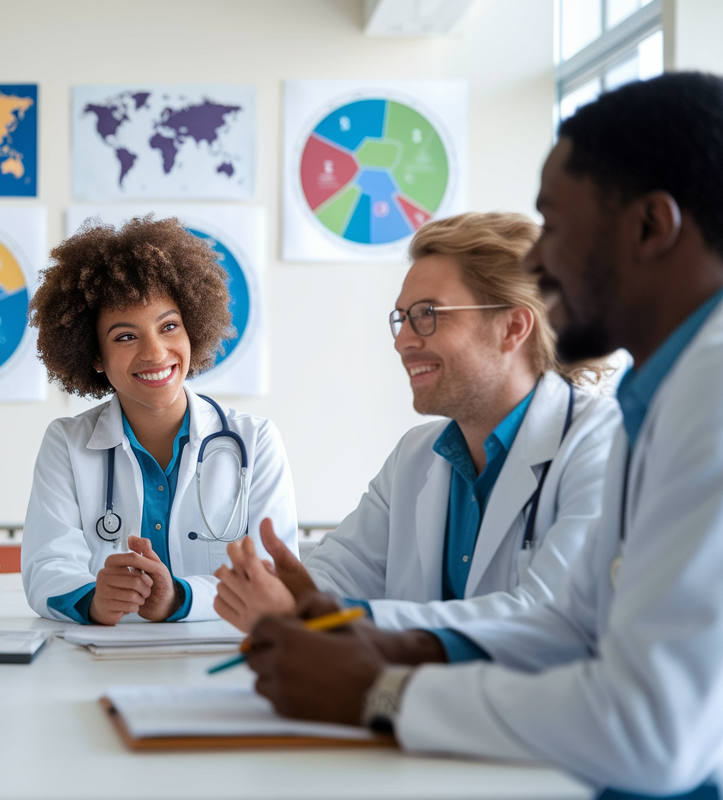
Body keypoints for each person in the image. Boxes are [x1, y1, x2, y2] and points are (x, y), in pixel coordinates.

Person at [245, 72, 723, 798]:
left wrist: (383, 692)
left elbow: (654, 731)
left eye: (555, 227)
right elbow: (572, 623)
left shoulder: (705, 394)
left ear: (650, 227)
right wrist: (387, 642)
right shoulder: (654, 396)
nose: (538, 263)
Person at [213, 212, 621, 633]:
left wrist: (328, 616)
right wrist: (292, 592)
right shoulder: (416, 456)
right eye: (402, 317)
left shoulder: (601, 444)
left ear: (512, 327)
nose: (402, 341)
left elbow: (548, 616)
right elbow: (339, 572)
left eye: (428, 314)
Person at [20, 215, 299, 625]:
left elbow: (270, 577)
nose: (155, 353)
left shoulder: (255, 441)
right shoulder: (66, 442)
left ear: (192, 330)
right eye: (125, 336)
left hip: (222, 652)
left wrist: (179, 599)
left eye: (169, 326)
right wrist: (94, 600)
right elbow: (47, 566)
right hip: (108, 655)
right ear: (95, 356)